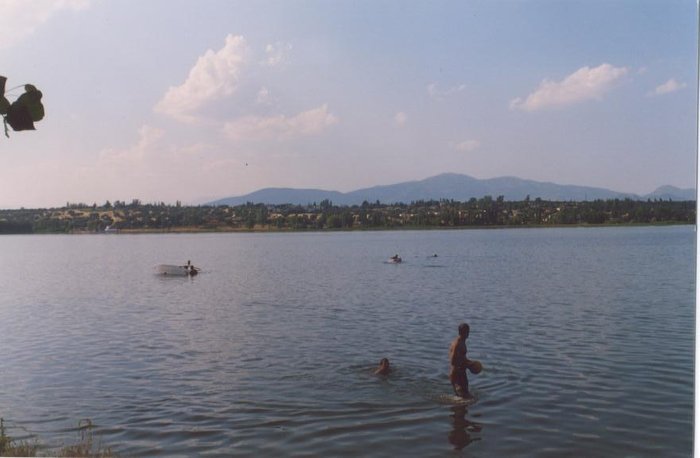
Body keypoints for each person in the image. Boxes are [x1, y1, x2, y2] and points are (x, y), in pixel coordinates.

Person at [449, 323, 474, 399]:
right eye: (468, 331)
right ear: (465, 332)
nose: (469, 333)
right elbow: (453, 361)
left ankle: (458, 408)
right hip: (458, 374)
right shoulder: (458, 344)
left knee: (464, 396)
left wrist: (470, 363)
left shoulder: (461, 342)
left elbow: (461, 357)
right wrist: (465, 365)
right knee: (466, 397)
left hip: (460, 373)